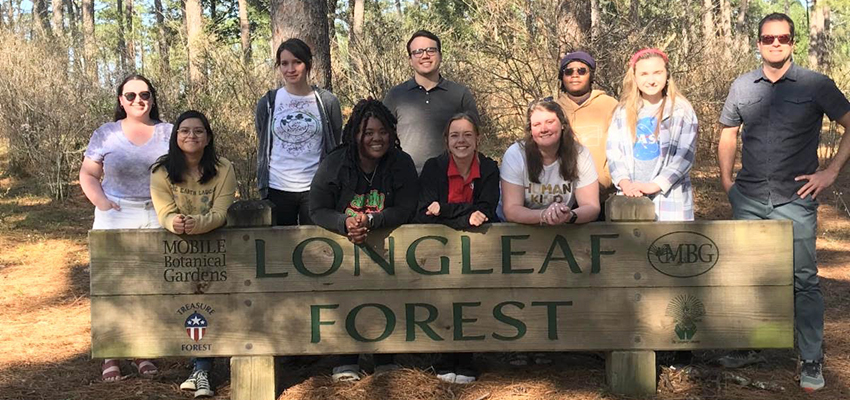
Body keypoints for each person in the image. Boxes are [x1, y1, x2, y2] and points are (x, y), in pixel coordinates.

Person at [716, 13, 850, 392]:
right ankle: (751, 345)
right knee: (748, 276)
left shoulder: (815, 84)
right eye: (768, 38)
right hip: (750, 196)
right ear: (758, 43)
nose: (776, 43)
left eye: (783, 38)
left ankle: (810, 357)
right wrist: (728, 182)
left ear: (794, 42)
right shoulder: (743, 86)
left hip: (796, 200)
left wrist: (830, 172)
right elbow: (728, 132)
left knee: (803, 280)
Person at [309, 99, 419, 381]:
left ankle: (386, 358)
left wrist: (373, 220)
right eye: (368, 132)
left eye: (382, 131)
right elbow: (317, 208)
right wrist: (344, 223)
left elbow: (407, 208)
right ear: (355, 134)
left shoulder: (401, 163)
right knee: (347, 297)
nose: (376, 138)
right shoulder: (335, 163)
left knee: (386, 298)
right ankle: (346, 359)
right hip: (343, 248)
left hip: (387, 247)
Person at [80, 74, 171, 382]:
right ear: (120, 100)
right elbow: (89, 174)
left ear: (153, 98)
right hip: (115, 214)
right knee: (111, 285)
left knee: (149, 285)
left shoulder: (168, 132)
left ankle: (143, 351)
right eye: (130, 95)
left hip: (156, 214)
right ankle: (111, 354)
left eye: (144, 94)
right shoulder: (106, 133)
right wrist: (102, 202)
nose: (137, 100)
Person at [150, 110, 235, 398]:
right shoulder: (161, 171)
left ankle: (203, 369)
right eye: (185, 131)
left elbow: (221, 212)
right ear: (176, 137)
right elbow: (163, 211)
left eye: (198, 131)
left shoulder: (224, 168)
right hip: (178, 249)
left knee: (210, 300)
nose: (191, 136)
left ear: (208, 137)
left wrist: (196, 224)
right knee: (189, 304)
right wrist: (174, 222)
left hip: (215, 246)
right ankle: (199, 366)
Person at [414, 113, 500, 383]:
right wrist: (464, 216)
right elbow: (427, 212)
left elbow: (485, 209)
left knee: (471, 297)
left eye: (467, 135)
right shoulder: (433, 167)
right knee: (442, 297)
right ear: (446, 140)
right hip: (438, 249)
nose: (461, 141)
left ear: (477, 139)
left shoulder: (489, 168)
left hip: (477, 249)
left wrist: (446, 210)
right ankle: (443, 358)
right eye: (454, 135)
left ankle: (466, 360)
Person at [255, 38, 343, 225]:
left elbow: (334, 140)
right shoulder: (268, 102)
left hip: (316, 187)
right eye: (284, 63)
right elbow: (263, 137)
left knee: (315, 249)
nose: (290, 69)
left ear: (308, 64)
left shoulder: (327, 101)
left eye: (297, 62)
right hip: (276, 186)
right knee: (277, 249)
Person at [606, 48, 698, 222]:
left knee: (667, 247)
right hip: (630, 198)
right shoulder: (622, 111)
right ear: (635, 77)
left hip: (669, 198)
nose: (651, 80)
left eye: (657, 72)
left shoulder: (681, 110)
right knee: (631, 247)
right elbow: (614, 153)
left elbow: (684, 157)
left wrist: (652, 186)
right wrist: (625, 184)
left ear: (667, 75)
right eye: (644, 74)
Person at [383, 29, 480, 172]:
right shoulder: (395, 95)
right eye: (418, 52)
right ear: (410, 60)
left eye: (431, 50)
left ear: (440, 56)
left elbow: (474, 138)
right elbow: (383, 137)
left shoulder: (460, 94)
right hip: (405, 179)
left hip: (451, 179)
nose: (425, 56)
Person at [500, 99, 600, 226]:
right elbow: (511, 210)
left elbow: (591, 206)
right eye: (536, 124)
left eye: (550, 122)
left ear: (563, 124)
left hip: (563, 226)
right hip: (520, 227)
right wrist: (545, 215)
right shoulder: (515, 154)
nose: (544, 129)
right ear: (530, 130)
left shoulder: (580, 154)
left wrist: (569, 216)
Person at [555, 51, 619, 219]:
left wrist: (607, 179)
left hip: (605, 195)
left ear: (591, 75)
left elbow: (622, 147)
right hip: (561, 196)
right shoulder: (553, 109)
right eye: (568, 71)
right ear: (562, 77)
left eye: (582, 70)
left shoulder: (610, 105)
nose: (575, 75)